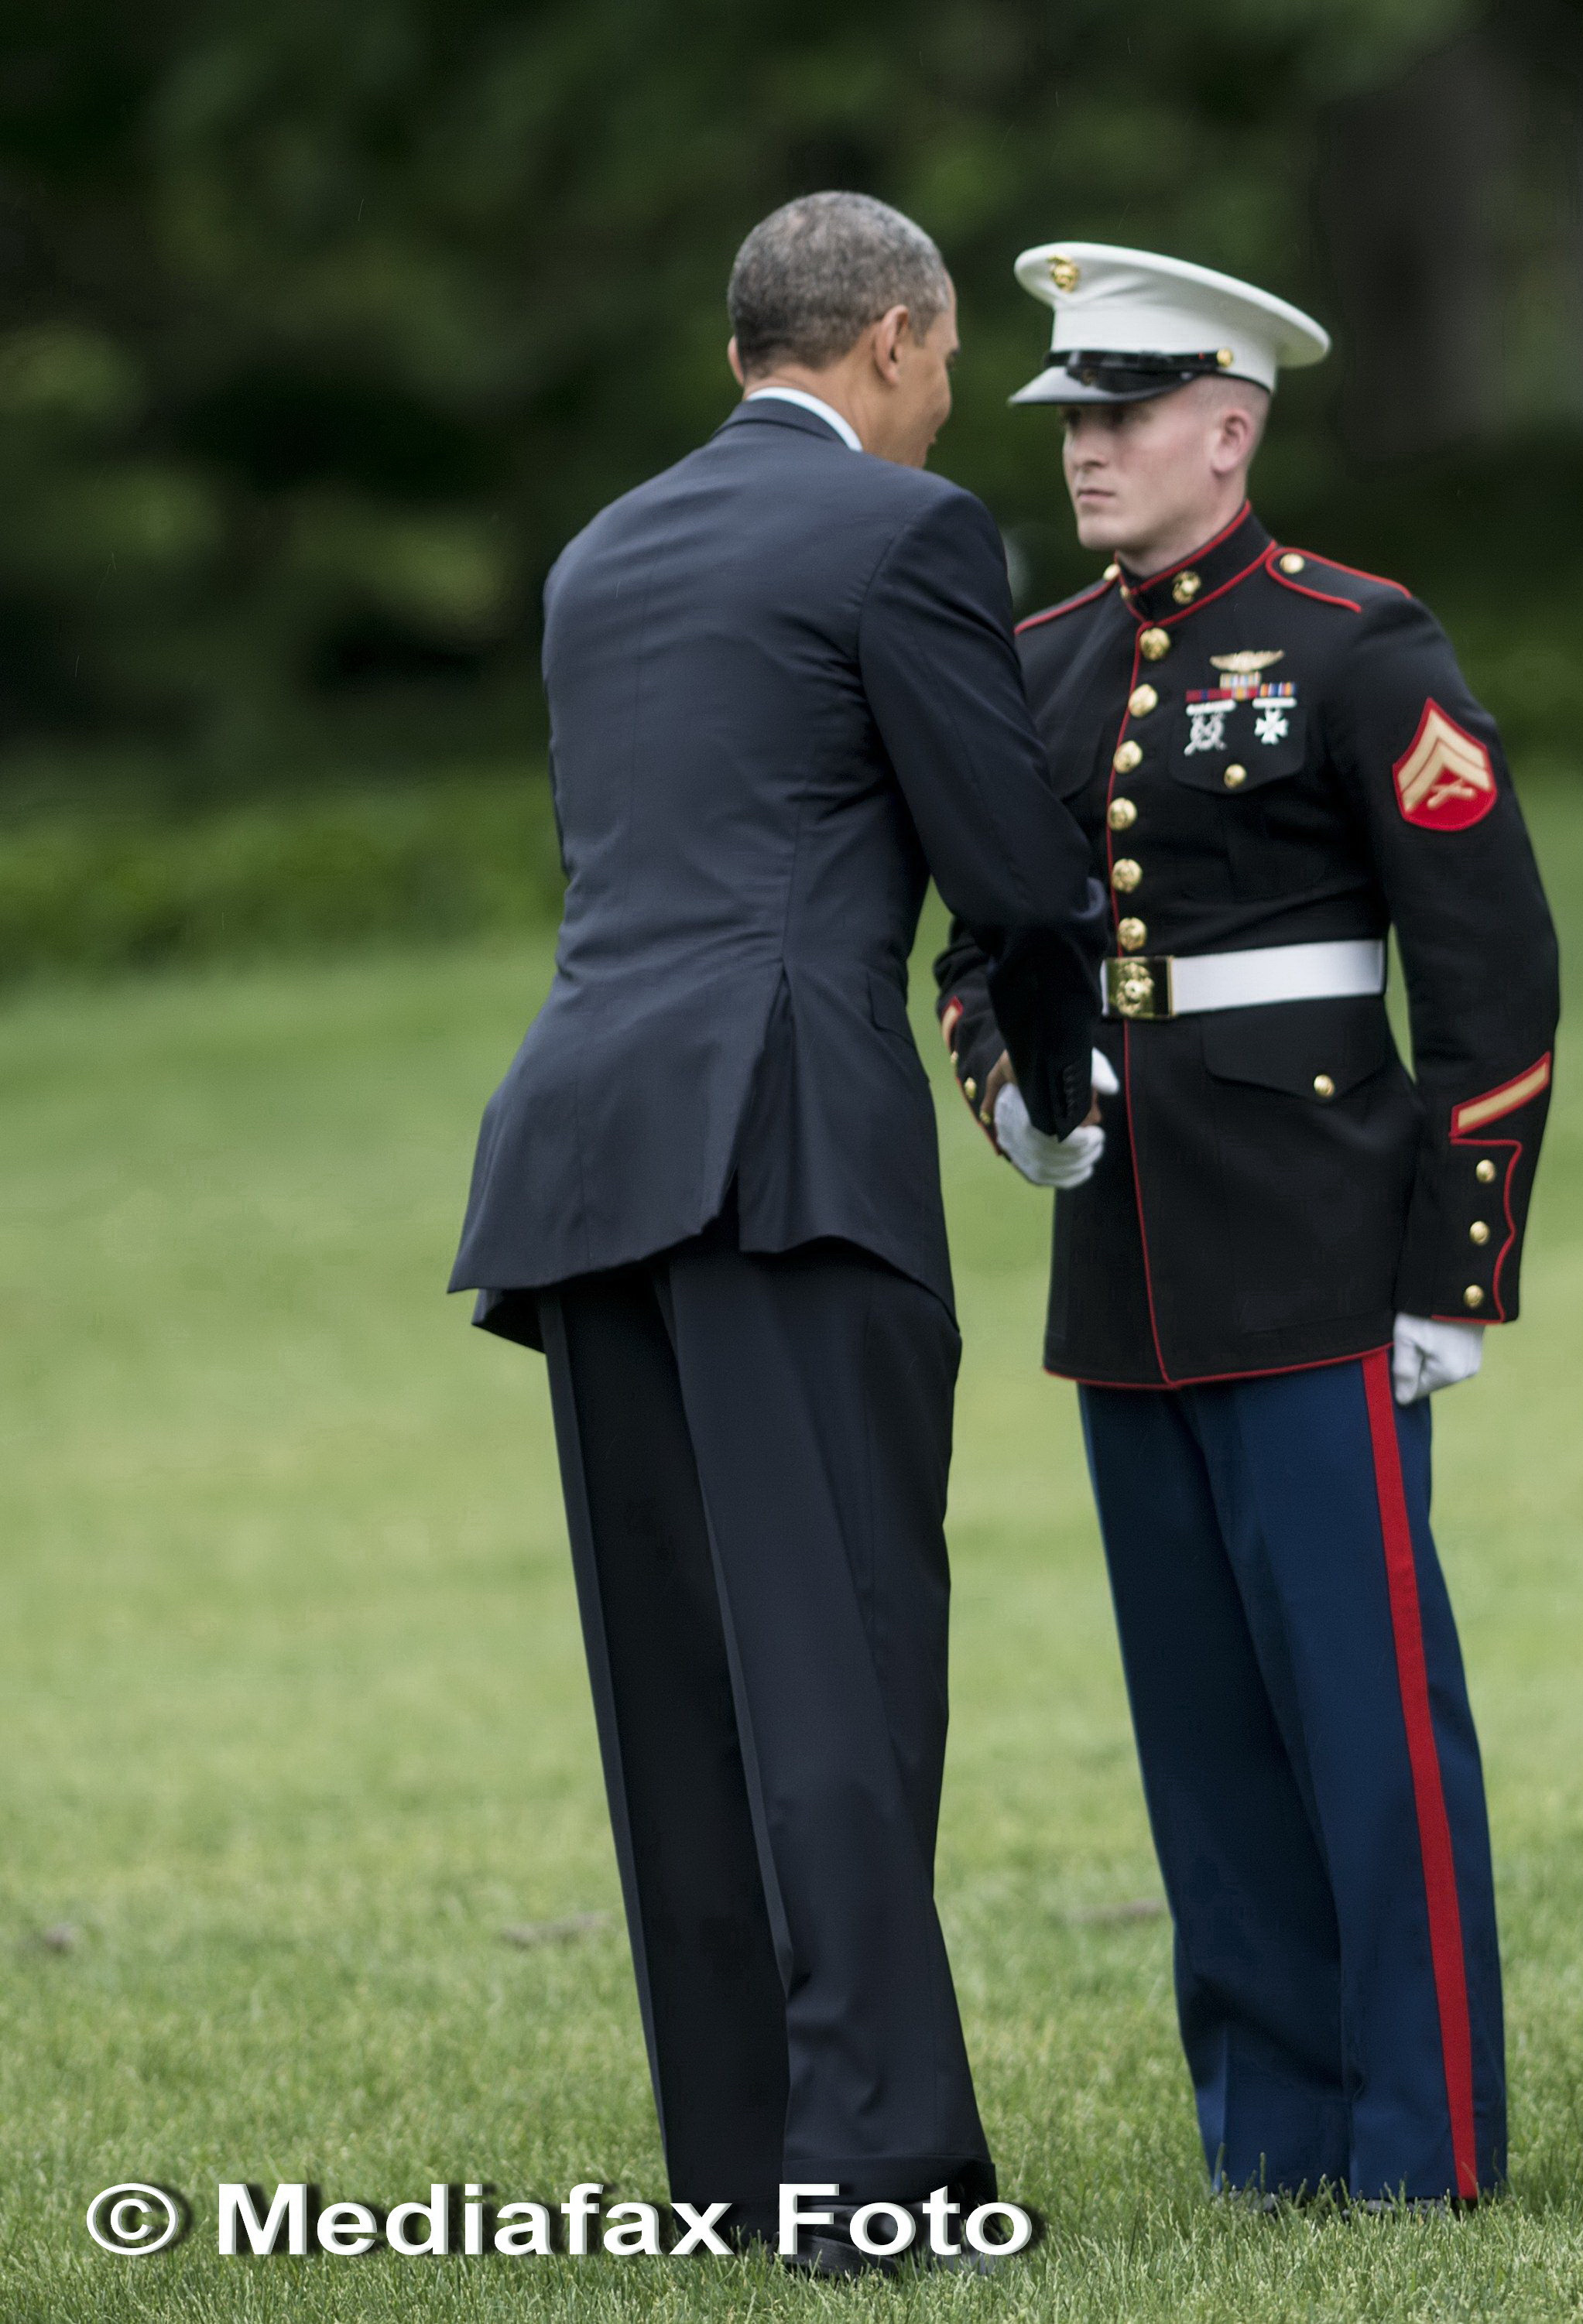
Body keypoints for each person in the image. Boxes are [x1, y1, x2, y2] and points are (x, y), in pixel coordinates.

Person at [449, 192, 1104, 2273]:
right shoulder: (905, 535)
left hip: (583, 1151)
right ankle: (883, 2178)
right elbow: (1009, 866)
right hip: (780, 1149)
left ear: (747, 348)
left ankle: (744, 2168)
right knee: (836, 1662)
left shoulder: (597, 556)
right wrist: (1056, 1089)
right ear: (897, 341)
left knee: (687, 1687)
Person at [932, 241, 1559, 2208]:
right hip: (1126, 1263)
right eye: (1069, 418)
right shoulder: (1033, 662)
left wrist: (1458, 1272)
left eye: (1122, 415)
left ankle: (1422, 2139)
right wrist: (1012, 1093)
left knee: (1369, 1734)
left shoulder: (1360, 641)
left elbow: (1493, 978)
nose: (1088, 451)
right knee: (1201, 1739)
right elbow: (980, 949)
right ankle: (1269, 2137)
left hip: (1317, 1249)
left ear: (1232, 424)